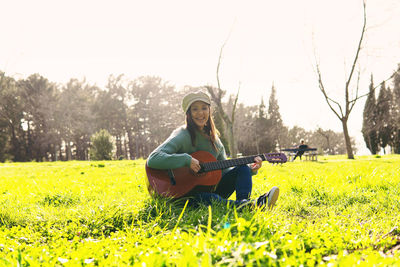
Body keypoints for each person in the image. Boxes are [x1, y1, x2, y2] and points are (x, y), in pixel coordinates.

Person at [147, 91, 279, 210]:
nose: (200, 113)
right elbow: (154, 159)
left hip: (209, 188)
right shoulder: (182, 135)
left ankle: (244, 204)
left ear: (209, 111)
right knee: (209, 199)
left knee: (242, 168)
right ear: (188, 113)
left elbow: (224, 171)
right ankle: (254, 205)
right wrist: (186, 160)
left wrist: (252, 169)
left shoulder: (215, 140)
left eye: (204, 108)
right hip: (180, 193)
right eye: (195, 109)